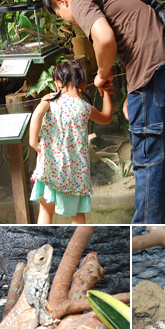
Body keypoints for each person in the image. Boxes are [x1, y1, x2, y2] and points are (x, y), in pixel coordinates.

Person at [43, 0, 165, 224]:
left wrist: (102, 73)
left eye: (60, 15)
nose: (68, 21)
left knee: (148, 163)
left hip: (152, 77)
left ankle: (145, 239)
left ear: (62, 1)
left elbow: (104, 38)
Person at [29, 60, 113, 224]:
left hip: (51, 166)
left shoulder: (51, 99)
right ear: (83, 83)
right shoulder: (85, 107)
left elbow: (37, 113)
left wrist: (34, 144)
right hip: (76, 171)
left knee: (46, 210)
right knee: (78, 214)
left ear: (58, 83)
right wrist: (106, 92)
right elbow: (107, 117)